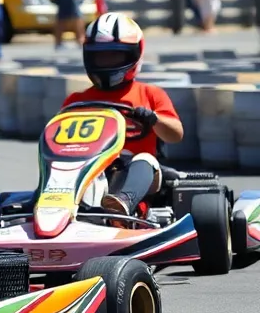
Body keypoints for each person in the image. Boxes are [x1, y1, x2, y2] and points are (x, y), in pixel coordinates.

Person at [60, 13, 182, 216]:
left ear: (134, 54)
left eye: (114, 55)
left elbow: (176, 134)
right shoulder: (76, 101)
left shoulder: (149, 94)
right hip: (90, 169)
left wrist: (153, 119)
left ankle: (122, 205)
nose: (107, 62)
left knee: (145, 159)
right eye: (101, 56)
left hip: (137, 171)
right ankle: (57, 208)